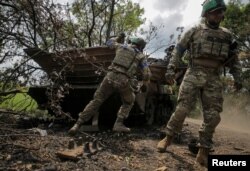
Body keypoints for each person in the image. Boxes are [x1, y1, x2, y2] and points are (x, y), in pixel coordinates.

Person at [157, 0, 242, 167]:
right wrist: (170, 69)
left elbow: (234, 60)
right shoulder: (194, 30)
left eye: (221, 12)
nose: (220, 15)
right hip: (194, 72)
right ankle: (168, 138)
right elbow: (178, 50)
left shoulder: (227, 35)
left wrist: (238, 78)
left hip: (214, 77)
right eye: (217, 12)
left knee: (213, 116)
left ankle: (203, 151)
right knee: (182, 109)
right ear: (207, 13)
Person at [68, 33, 151, 135]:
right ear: (141, 47)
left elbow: (109, 42)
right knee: (129, 101)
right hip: (123, 81)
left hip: (109, 77)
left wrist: (118, 37)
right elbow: (147, 74)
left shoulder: (121, 46)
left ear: (132, 42)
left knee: (96, 101)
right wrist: (144, 85)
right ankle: (118, 124)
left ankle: (77, 124)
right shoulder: (140, 56)